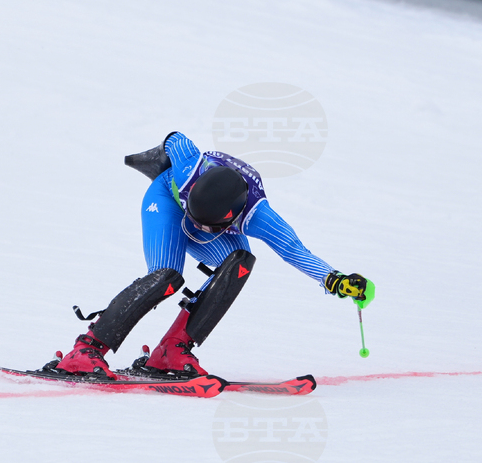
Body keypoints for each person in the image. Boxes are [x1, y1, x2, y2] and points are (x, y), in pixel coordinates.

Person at [48, 131, 372, 378]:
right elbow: (176, 139)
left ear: (234, 219)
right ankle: (86, 349)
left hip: (201, 209)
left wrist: (336, 280)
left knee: (240, 262)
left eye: (209, 226)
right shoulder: (189, 171)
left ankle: (170, 350)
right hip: (167, 203)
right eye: (198, 218)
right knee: (166, 276)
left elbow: (292, 249)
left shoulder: (257, 215)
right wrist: (156, 159)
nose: (198, 229)